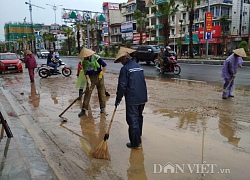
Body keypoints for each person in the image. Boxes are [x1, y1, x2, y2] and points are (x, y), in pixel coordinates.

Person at [114, 47, 148, 149]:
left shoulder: (125, 69)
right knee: (139, 117)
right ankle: (139, 136)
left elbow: (122, 86)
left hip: (133, 98)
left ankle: (135, 143)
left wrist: (118, 99)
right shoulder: (138, 66)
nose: (121, 63)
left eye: (121, 60)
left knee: (132, 120)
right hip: (143, 97)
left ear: (124, 59)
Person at [78, 47, 107, 117]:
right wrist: (88, 80)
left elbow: (104, 65)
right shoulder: (84, 62)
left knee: (101, 92)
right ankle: (84, 109)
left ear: (89, 55)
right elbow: (86, 72)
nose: (85, 58)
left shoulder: (97, 58)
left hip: (99, 76)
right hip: (91, 77)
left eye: (86, 56)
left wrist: (101, 73)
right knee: (88, 92)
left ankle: (103, 109)